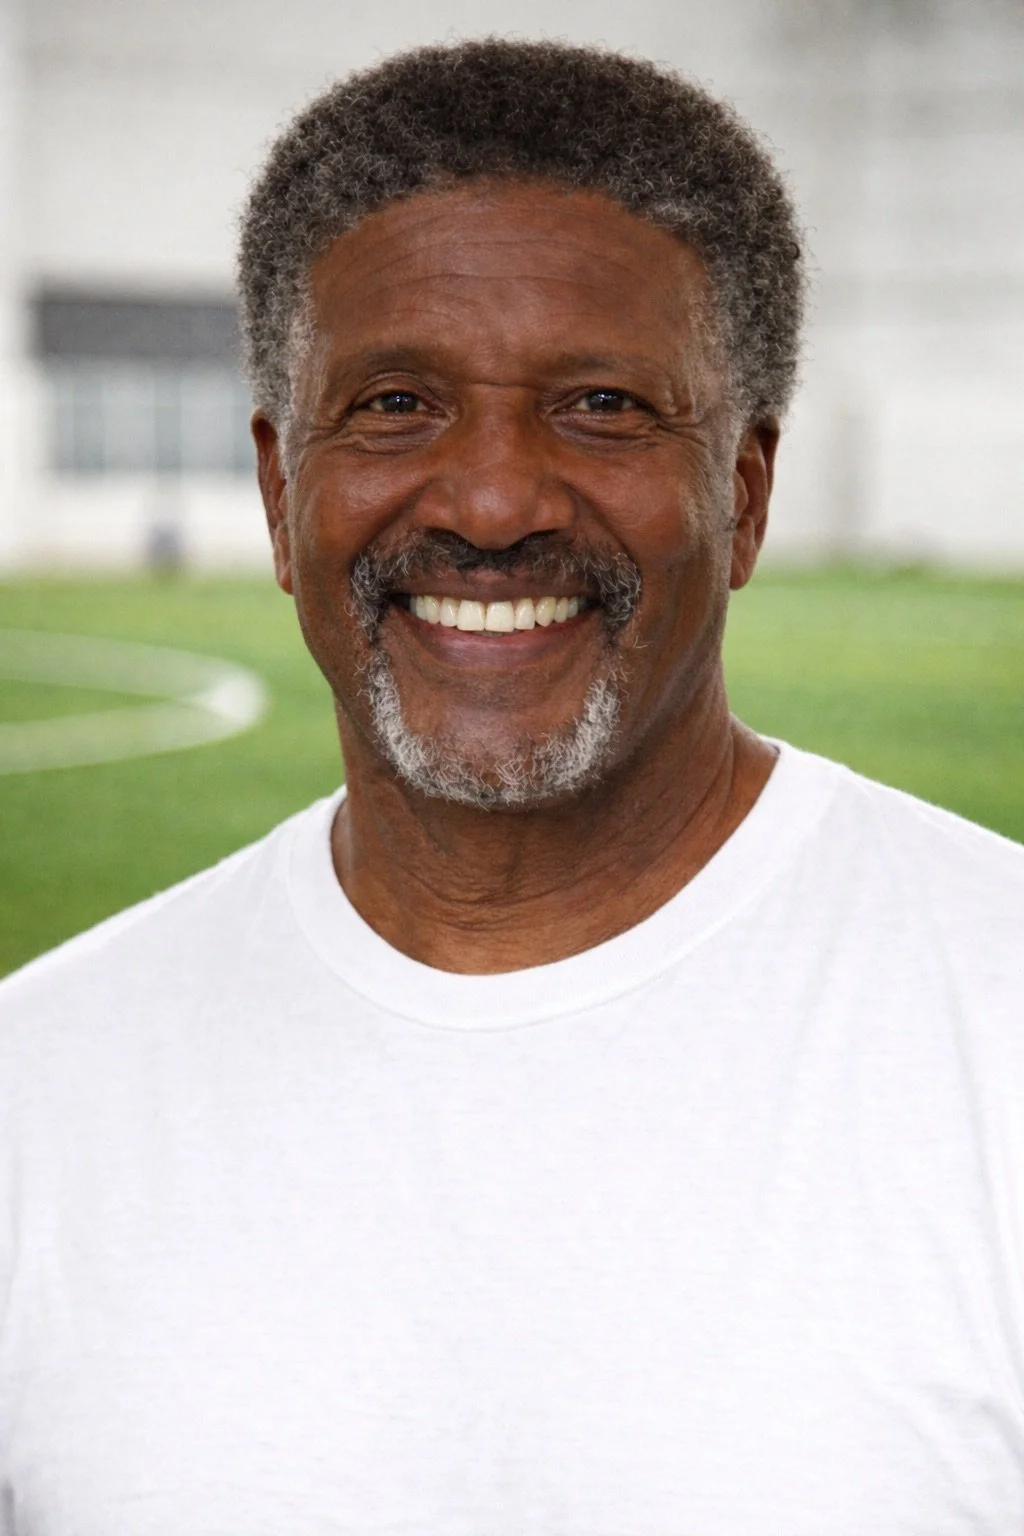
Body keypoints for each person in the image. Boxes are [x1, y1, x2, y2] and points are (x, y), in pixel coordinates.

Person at [1, 38, 1023, 1535]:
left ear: (743, 495)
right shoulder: (37, 1091)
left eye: (601, 404)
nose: (490, 502)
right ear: (281, 493)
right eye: (395, 404)